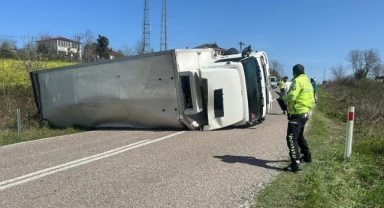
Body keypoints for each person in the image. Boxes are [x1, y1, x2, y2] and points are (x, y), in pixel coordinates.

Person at [282, 64, 314, 172]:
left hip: (297, 113)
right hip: (305, 113)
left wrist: (283, 97)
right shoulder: (308, 82)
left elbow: (292, 96)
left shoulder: (297, 81)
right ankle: (307, 156)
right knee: (299, 136)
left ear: (294, 72)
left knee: (291, 138)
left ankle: (295, 164)